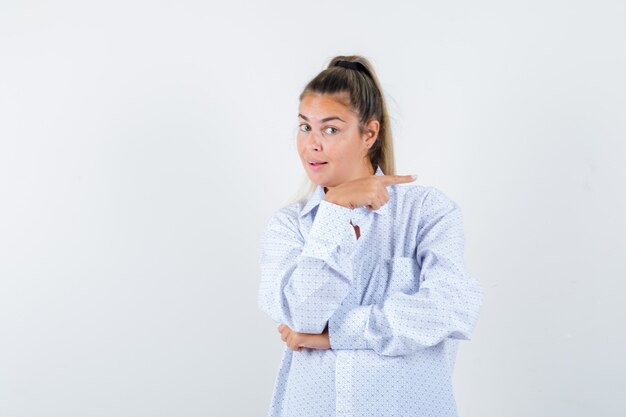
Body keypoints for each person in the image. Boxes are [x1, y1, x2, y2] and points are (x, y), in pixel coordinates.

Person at [257, 55, 483, 417]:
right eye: (304, 127)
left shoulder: (426, 212)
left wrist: (335, 336)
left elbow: (451, 307)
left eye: (330, 129)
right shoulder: (289, 226)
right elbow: (304, 318)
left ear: (369, 134)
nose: (312, 144)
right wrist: (336, 210)